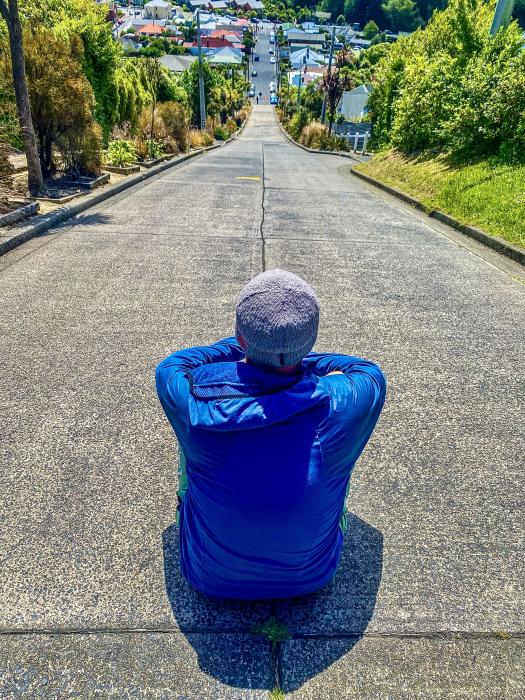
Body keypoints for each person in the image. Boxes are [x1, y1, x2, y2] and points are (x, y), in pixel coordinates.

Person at [156, 269, 386, 600]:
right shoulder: (348, 398)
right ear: (311, 338)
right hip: (313, 576)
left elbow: (174, 365)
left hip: (207, 577)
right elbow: (364, 369)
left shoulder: (192, 400)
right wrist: (294, 351)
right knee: (342, 445)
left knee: (189, 435)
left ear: (241, 337)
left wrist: (250, 346)